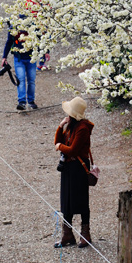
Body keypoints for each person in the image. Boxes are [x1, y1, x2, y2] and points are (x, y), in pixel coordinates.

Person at [54, 96, 94, 249]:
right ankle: (67, 233)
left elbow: (73, 150)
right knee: (66, 201)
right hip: (68, 167)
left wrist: (59, 146)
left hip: (79, 167)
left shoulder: (83, 128)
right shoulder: (70, 125)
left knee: (81, 200)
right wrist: (60, 126)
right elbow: (59, 141)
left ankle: (85, 233)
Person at [2, 16, 38, 111]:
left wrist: (45, 53)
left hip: (31, 58)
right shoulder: (13, 28)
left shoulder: (33, 27)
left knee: (31, 80)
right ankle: (22, 102)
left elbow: (40, 39)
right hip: (19, 58)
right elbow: (9, 42)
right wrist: (4, 56)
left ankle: (30, 101)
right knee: (21, 80)